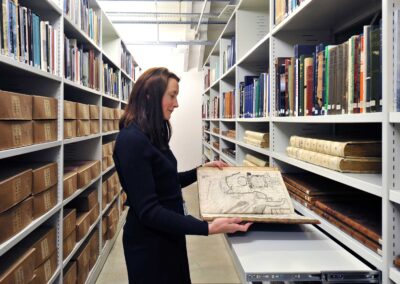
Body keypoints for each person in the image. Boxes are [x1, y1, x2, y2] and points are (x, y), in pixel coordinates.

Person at [113, 67, 252, 284]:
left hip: (168, 235)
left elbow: (166, 181)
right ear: (150, 95)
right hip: (149, 247)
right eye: (172, 95)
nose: (176, 104)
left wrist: (201, 172)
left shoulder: (152, 135)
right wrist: (207, 227)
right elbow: (149, 211)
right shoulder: (131, 141)